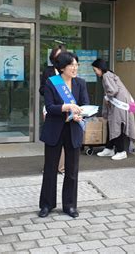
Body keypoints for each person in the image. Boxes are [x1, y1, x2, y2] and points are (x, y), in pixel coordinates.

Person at [38, 52, 89, 218]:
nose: (75, 68)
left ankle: (70, 205)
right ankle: (47, 204)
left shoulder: (80, 83)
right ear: (62, 67)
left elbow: (85, 105)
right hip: (55, 129)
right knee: (50, 169)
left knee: (72, 170)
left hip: (73, 128)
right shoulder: (52, 83)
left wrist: (81, 114)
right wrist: (67, 107)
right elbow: (50, 107)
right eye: (71, 65)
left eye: (76, 65)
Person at [92, 58, 135, 161]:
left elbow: (113, 90)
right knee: (111, 124)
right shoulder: (110, 74)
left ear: (100, 68)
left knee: (116, 125)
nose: (95, 72)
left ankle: (121, 151)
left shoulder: (106, 76)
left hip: (119, 104)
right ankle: (109, 147)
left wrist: (107, 97)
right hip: (122, 103)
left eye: (95, 70)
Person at [39, 46, 65, 174]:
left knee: (64, 137)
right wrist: (52, 89)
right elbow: (42, 89)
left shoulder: (67, 72)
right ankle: (49, 166)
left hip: (66, 108)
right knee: (52, 137)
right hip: (51, 107)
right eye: (57, 56)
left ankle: (61, 167)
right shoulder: (48, 71)